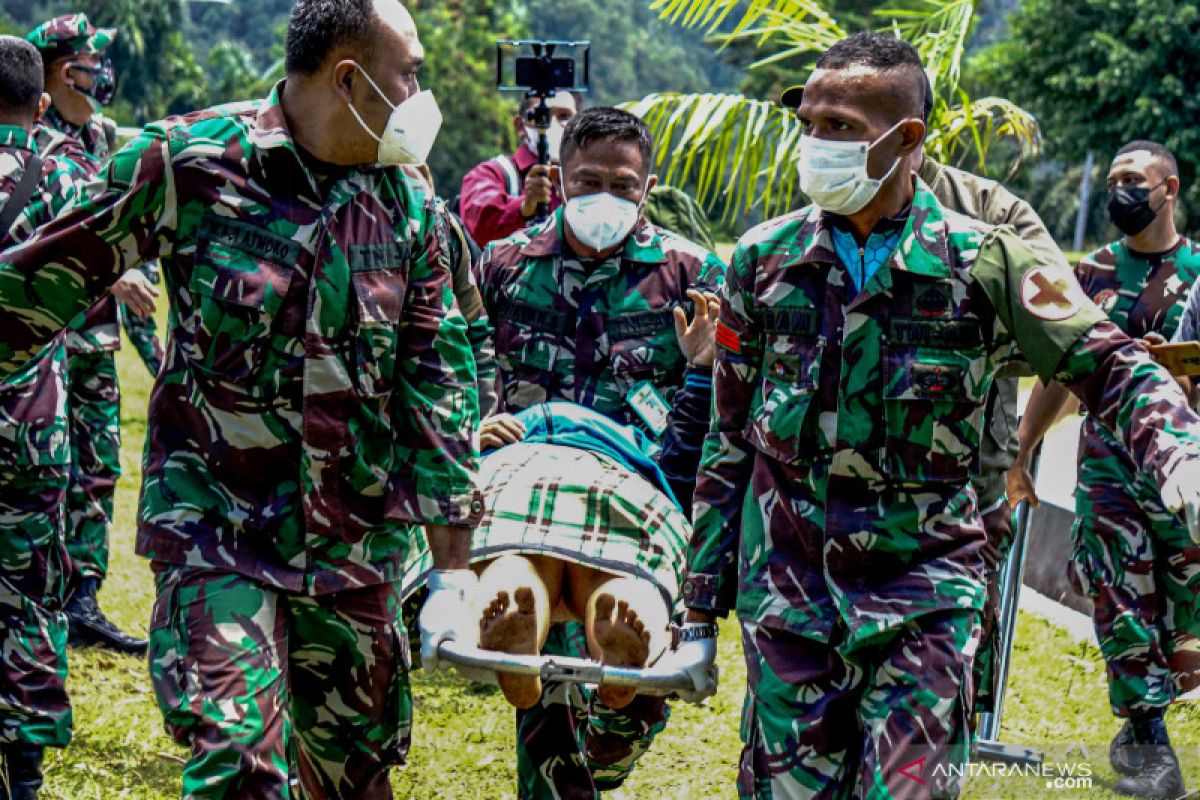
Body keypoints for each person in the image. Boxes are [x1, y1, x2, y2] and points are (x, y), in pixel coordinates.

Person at [684, 32, 1200, 799]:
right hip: (791, 602)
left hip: (926, 596)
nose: (817, 143)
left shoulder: (984, 261)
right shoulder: (761, 262)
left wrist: (1178, 455)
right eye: (810, 124)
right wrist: (698, 610)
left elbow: (1112, 362)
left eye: (842, 128)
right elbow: (729, 442)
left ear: (908, 139)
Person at [0, 1, 485, 796]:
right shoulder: (189, 163)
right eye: (412, 72)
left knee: (352, 779)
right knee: (239, 768)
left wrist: (453, 577)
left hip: (353, 554)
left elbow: (438, 386)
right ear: (351, 79)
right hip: (214, 532)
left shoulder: (410, 210)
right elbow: (31, 286)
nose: (419, 92)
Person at [474, 106, 726, 799]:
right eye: (588, 181)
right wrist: (479, 423)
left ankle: (619, 696)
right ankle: (522, 646)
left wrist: (700, 365)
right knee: (551, 732)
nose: (606, 198)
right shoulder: (503, 265)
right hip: (530, 499)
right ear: (557, 178)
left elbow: (721, 420)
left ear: (648, 186)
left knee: (627, 718)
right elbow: (460, 364)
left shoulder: (692, 275)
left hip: (636, 502)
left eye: (624, 184)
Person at [1010, 141, 1200, 798]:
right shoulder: (1089, 274)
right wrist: (1024, 447)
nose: (1121, 190)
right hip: (1108, 469)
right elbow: (1059, 369)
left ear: (1168, 188)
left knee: (1186, 606)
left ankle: (1163, 708)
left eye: (1133, 179)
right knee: (1118, 596)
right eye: (1113, 177)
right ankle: (1148, 739)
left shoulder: (1198, 271)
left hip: (1184, 467)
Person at [912, 75, 1064, 719]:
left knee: (964, 607)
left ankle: (954, 732)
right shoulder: (821, 210)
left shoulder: (988, 210)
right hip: (845, 471)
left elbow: (1058, 310)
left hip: (970, 456)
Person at [26, 13, 163, 655]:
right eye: (88, 61)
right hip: (51, 339)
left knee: (99, 470)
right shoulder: (33, 142)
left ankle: (82, 599)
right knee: (49, 468)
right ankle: (44, 595)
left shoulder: (100, 141)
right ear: (59, 70)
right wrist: (112, 281)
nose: (100, 73)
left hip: (98, 341)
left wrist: (157, 353)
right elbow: (39, 243)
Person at [0, 36, 84, 800]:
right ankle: (22, 765)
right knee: (29, 589)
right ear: (39, 104)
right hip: (32, 424)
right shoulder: (60, 174)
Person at [458, 91, 578, 247]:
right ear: (521, 125)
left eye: (565, 116)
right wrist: (523, 207)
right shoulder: (492, 173)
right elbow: (478, 227)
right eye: (543, 116)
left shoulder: (592, 177)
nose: (553, 124)